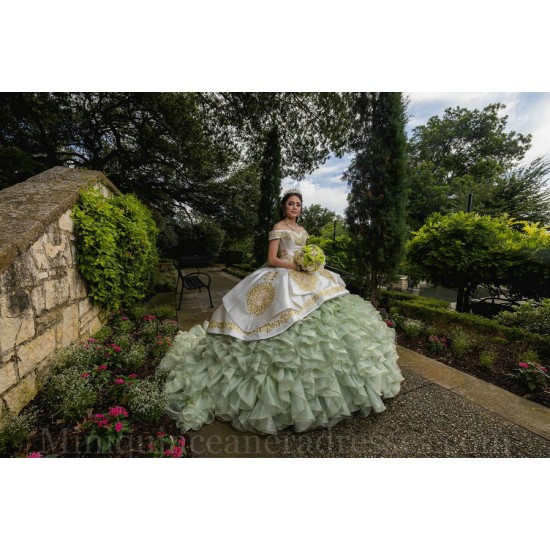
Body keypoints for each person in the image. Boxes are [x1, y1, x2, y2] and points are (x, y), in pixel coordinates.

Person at [158, 188, 403, 435]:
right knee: (271, 318)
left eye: (298, 204)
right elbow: (273, 259)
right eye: (290, 204)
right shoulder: (278, 226)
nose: (295, 207)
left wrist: (312, 264)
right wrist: (297, 265)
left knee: (327, 316)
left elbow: (304, 251)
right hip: (283, 275)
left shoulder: (303, 231)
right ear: (284, 207)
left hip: (307, 277)